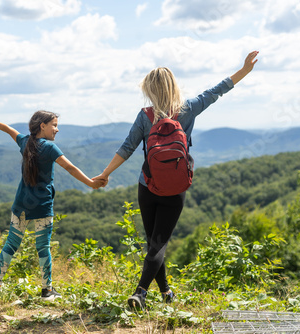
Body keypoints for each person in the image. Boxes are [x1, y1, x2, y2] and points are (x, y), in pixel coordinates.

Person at [93, 51, 259, 309]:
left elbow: (127, 148)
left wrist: (105, 174)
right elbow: (216, 91)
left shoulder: (144, 116)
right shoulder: (188, 109)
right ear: (173, 87)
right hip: (175, 188)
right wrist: (244, 71)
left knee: (154, 243)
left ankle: (144, 293)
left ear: (150, 90)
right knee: (157, 244)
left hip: (147, 185)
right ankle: (159, 292)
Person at [0, 110, 104, 304]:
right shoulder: (50, 148)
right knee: (43, 247)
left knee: (11, 244)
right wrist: (91, 183)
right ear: (42, 126)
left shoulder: (25, 142)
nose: (57, 129)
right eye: (54, 125)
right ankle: (46, 290)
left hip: (21, 205)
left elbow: (9, 130)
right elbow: (70, 167)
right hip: (42, 206)